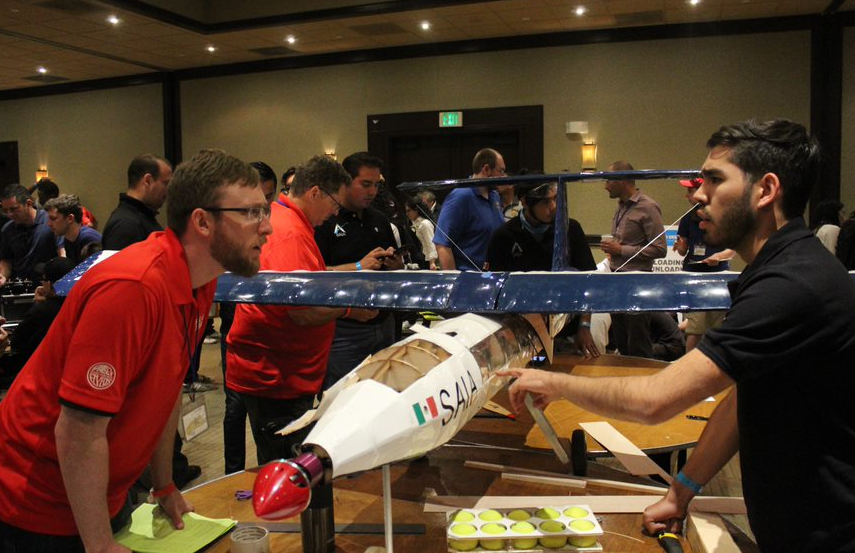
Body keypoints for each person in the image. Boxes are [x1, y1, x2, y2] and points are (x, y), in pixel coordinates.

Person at [501, 119, 855, 552]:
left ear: (765, 190)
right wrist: (681, 490)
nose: (699, 194)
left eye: (714, 180)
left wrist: (556, 383)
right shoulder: (782, 266)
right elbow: (746, 396)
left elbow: (656, 401)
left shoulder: (793, 284)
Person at [0, 149, 272, 553]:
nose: (266, 228)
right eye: (251, 213)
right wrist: (99, 545)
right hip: (38, 504)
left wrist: (163, 485)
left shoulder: (200, 281)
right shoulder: (133, 288)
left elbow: (164, 392)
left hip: (101, 493)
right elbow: (76, 431)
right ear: (201, 221)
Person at [226, 155, 378, 464]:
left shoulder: (286, 218)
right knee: (287, 471)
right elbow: (300, 310)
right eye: (335, 204)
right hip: (276, 377)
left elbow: (309, 279)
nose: (335, 214)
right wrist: (350, 309)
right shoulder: (290, 233)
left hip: (281, 371)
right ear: (315, 193)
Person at [486, 180, 602, 357]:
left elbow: (589, 280)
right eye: (545, 202)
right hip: (520, 335)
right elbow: (494, 290)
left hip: (567, 331)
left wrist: (584, 326)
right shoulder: (503, 236)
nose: (553, 206)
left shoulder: (571, 229)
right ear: (525, 202)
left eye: (555, 199)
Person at [314, 152, 400, 390]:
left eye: (376, 185)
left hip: (384, 323)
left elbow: (392, 266)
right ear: (345, 182)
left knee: (382, 395)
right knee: (341, 398)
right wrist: (359, 266)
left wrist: (396, 265)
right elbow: (315, 274)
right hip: (345, 328)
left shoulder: (380, 219)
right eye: (365, 184)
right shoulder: (325, 220)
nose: (372, 191)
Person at [600, 161, 667, 358]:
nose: (605, 185)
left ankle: (645, 386)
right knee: (622, 342)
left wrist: (621, 249)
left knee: (638, 344)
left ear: (622, 180)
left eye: (608, 180)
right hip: (617, 279)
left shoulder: (648, 207)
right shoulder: (621, 206)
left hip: (638, 282)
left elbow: (660, 249)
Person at [673, 177, 734, 352]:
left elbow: (732, 249)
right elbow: (683, 251)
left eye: (690, 191)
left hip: (717, 277)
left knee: (717, 327)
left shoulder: (721, 216)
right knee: (694, 329)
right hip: (693, 277)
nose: (687, 196)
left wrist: (719, 256)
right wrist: (680, 246)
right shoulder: (686, 219)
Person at [0, 256, 75, 377]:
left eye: (43, 279)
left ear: (50, 284)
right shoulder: (82, 305)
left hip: (40, 371)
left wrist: (39, 304)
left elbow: (16, 342)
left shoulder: (42, 311)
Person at [433, 148, 505, 270]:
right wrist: (452, 281)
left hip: (492, 276)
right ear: (486, 169)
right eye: (501, 171)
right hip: (468, 279)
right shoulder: (460, 196)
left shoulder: (494, 195)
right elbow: (442, 243)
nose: (503, 177)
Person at [102, 154, 172, 250]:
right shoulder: (126, 225)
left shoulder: (140, 218)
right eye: (166, 183)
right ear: (148, 181)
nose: (168, 190)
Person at [0, 184, 63, 287]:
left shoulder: (50, 221)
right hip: (19, 287)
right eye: (5, 210)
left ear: (28, 203)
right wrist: (3, 275)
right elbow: (6, 260)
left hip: (46, 286)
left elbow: (62, 253)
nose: (9, 215)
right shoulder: (7, 229)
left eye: (14, 209)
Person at [44, 194, 102, 265]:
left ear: (70, 218)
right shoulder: (68, 240)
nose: (49, 224)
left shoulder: (89, 238)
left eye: (53, 219)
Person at [406, 197, 438, 270]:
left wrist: (432, 262)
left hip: (428, 260)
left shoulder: (425, 223)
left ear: (416, 210)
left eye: (409, 211)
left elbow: (431, 243)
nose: (407, 214)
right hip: (422, 258)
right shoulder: (416, 223)